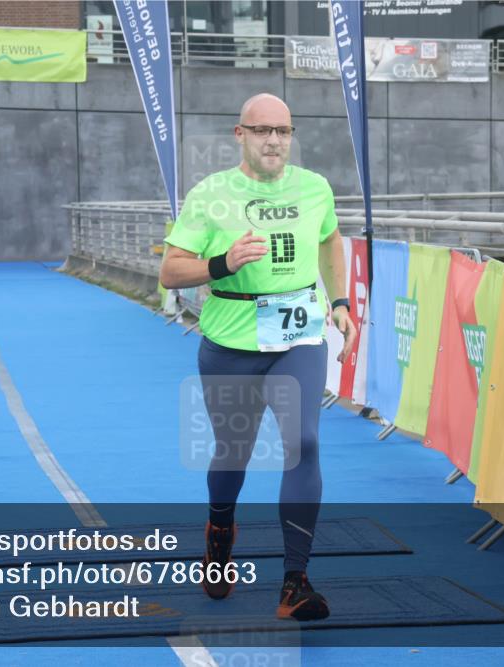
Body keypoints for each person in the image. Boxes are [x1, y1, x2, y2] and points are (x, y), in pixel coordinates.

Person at [159, 93, 357, 621]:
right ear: (239, 134)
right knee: (233, 451)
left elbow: (330, 240)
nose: (274, 140)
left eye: (284, 131)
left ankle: (296, 582)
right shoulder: (211, 195)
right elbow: (170, 272)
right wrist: (222, 262)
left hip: (298, 336)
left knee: (303, 443)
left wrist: (339, 301)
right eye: (262, 130)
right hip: (230, 340)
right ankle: (220, 526)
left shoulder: (314, 188)